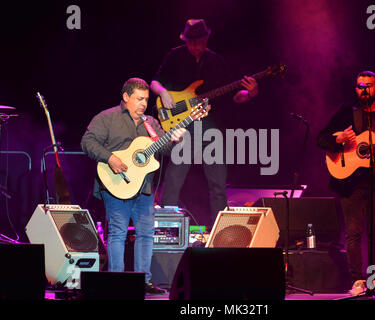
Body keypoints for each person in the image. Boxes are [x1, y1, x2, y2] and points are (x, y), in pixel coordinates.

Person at [150, 19, 259, 228]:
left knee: (217, 182)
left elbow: (234, 97)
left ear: (206, 39)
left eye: (197, 42)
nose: (193, 46)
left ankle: (220, 231)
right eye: (189, 42)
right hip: (184, 125)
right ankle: (163, 227)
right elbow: (154, 82)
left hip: (210, 125)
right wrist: (163, 93)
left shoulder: (217, 62)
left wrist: (250, 93)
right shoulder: (175, 56)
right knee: (174, 178)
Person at [81, 78, 185, 294]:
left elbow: (162, 150)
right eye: (139, 99)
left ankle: (143, 281)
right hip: (116, 184)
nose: (143, 104)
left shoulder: (151, 123)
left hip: (144, 187)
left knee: (146, 233)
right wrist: (110, 158)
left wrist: (174, 140)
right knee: (118, 232)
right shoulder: (107, 117)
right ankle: (117, 281)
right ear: (126, 97)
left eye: (146, 99)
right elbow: (88, 142)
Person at [317, 70, 375, 296]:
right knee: (354, 232)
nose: (364, 89)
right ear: (356, 89)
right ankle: (358, 281)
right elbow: (321, 138)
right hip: (350, 181)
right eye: (360, 86)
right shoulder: (346, 113)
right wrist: (337, 139)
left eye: (368, 85)